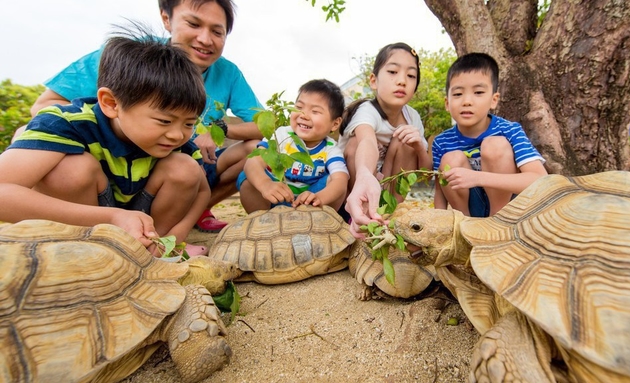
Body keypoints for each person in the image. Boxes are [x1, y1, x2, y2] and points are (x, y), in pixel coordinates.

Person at [18, 0, 263, 233]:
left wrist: (215, 130)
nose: (205, 39)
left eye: (217, 32)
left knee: (194, 166)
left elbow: (263, 124)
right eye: (194, 24)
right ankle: (89, 227)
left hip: (173, 165)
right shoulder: (127, 56)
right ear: (167, 18)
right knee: (38, 143)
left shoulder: (226, 74)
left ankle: (162, 229)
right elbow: (45, 107)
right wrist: (111, 131)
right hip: (103, 166)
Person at [0, 24, 210, 256]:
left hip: (144, 219)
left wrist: (174, 238)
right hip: (87, 218)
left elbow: (202, 192)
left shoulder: (178, 141)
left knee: (186, 168)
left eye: (189, 123)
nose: (177, 135)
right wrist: (112, 217)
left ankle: (151, 247)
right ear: (111, 103)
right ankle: (90, 247)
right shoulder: (66, 123)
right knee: (71, 169)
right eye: (164, 121)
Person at [432, 52, 547, 217]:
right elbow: (440, 190)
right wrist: (438, 225)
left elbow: (540, 179)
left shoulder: (509, 130)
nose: (467, 101)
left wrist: (478, 177)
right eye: (458, 94)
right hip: (469, 212)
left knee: (495, 145)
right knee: (450, 159)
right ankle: (464, 225)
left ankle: (496, 222)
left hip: (509, 210)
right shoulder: (441, 142)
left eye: (478, 92)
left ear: (494, 99)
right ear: (447, 103)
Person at [338, 42, 431, 238]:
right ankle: (360, 214)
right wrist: (365, 175)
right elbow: (367, 142)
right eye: (393, 72)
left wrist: (419, 148)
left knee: (407, 141)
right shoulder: (367, 111)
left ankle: (389, 215)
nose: (402, 81)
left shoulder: (412, 117)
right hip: (356, 189)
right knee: (355, 144)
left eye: (411, 75)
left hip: (387, 187)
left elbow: (425, 173)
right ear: (373, 80)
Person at [238, 79, 349, 213]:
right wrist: (265, 183)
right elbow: (253, 162)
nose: (303, 115)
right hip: (276, 199)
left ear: (335, 124)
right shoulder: (282, 135)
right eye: (299, 107)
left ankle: (324, 223)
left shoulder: (331, 149)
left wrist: (319, 198)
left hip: (310, 206)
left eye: (315, 111)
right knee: (247, 177)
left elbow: (340, 179)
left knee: (336, 182)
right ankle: (261, 222)